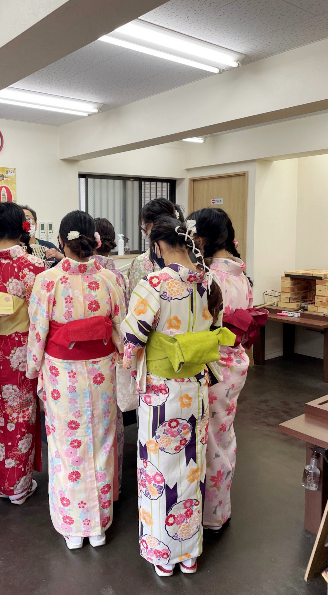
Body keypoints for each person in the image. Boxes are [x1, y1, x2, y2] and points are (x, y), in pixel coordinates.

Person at [122, 215, 232, 577]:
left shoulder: (153, 283)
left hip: (161, 391)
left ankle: (162, 552)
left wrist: (135, 358)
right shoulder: (209, 282)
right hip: (195, 388)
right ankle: (189, 552)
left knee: (158, 470)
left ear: (157, 246)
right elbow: (215, 332)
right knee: (190, 467)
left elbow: (131, 343)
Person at [26, 211, 125, 550]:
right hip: (101, 373)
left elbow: (38, 332)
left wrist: (31, 368)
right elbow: (120, 330)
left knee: (67, 446)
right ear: (94, 241)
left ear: (62, 242)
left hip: (62, 373)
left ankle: (73, 525)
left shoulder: (48, 281)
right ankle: (98, 525)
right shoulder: (111, 280)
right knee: (101, 440)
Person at [187, 208, 254, 532]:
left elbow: (200, 327)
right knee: (223, 435)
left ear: (203, 238)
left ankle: (210, 515)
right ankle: (220, 509)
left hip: (215, 363)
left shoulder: (211, 278)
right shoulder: (241, 275)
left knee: (210, 438)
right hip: (236, 361)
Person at [0, 202, 45, 503]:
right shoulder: (33, 266)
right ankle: (18, 485)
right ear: (23, 228)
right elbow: (42, 315)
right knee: (20, 415)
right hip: (20, 350)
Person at [93, 217, 128, 493]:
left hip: (74, 363)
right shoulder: (117, 275)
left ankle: (89, 486)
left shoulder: (66, 275)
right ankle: (113, 483)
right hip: (112, 355)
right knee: (111, 421)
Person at [127, 199, 184, 297]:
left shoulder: (142, 262)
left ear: (152, 224)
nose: (142, 228)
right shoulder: (190, 254)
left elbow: (135, 301)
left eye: (143, 224)